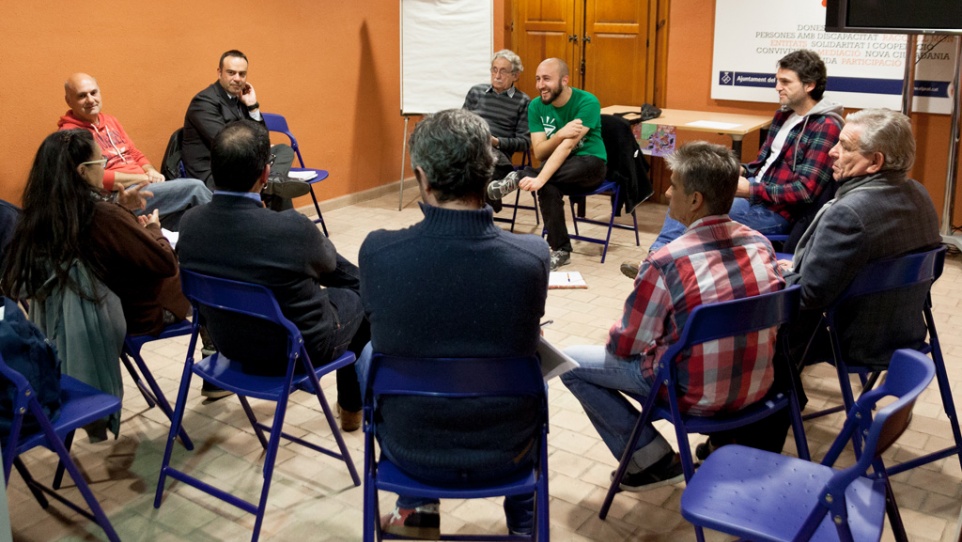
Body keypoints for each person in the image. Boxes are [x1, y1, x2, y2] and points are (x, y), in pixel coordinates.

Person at [356, 109, 550, 538]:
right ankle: (525, 523)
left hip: (409, 447)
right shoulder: (533, 257)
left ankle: (418, 512)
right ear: (488, 173)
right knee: (526, 363)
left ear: (422, 178)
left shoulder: (377, 252)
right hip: (512, 448)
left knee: (374, 352)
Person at [561, 141, 784, 490]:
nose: (666, 192)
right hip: (757, 388)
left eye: (673, 185)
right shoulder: (761, 244)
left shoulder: (666, 261)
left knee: (569, 362)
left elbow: (626, 345)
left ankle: (651, 459)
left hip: (693, 396)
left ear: (695, 200)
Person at [177, 120, 368, 430]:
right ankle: (351, 408)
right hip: (295, 352)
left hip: (230, 345)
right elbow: (332, 267)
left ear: (213, 169)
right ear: (265, 174)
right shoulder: (290, 228)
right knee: (359, 292)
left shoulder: (190, 222)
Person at [1, 129, 190, 440]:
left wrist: (121, 209)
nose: (106, 167)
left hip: (70, 321)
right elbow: (162, 263)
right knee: (199, 279)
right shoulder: (99, 214)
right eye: (101, 160)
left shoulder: (40, 216)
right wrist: (154, 229)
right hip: (133, 315)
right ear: (82, 171)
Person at [623, 49, 843, 278]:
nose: (778, 87)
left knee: (695, 205)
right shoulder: (784, 116)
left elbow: (805, 191)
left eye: (785, 82)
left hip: (776, 213)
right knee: (688, 194)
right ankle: (657, 263)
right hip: (753, 198)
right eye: (777, 80)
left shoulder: (825, 125)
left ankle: (655, 265)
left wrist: (750, 190)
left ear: (809, 86)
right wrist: (737, 170)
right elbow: (762, 166)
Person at [781, 108, 942, 370]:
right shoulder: (919, 193)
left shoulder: (849, 213)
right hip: (907, 330)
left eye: (844, 146)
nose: (832, 151)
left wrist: (779, 276)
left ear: (875, 162)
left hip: (855, 341)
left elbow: (809, 296)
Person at [486, 58, 606, 270]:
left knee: (546, 178)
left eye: (547, 79)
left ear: (565, 80)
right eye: (538, 79)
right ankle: (561, 249)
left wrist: (537, 176)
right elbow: (540, 151)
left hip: (590, 165)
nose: (541, 85)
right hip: (555, 166)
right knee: (547, 186)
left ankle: (522, 175)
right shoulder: (536, 106)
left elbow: (567, 148)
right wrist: (559, 133)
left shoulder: (587, 102)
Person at [59, 73, 212, 231]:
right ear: (69, 101)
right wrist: (143, 178)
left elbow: (134, 153)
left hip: (144, 185)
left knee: (186, 217)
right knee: (195, 188)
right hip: (119, 197)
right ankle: (232, 227)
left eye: (93, 93)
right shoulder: (71, 135)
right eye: (82, 96)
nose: (91, 100)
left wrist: (151, 171)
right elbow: (98, 177)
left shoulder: (110, 120)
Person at [181, 50, 309, 211]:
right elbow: (227, 144)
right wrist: (259, 150)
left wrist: (253, 106)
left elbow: (263, 138)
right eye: (231, 73)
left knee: (283, 150)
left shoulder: (240, 99)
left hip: (243, 164)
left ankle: (273, 180)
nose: (237, 79)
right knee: (275, 188)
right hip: (216, 173)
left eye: (242, 74)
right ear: (219, 72)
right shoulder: (204, 102)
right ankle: (272, 186)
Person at [462, 49, 531, 210]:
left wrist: (496, 141)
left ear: (515, 75)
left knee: (477, 172)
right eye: (494, 70)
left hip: (497, 155)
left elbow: (525, 142)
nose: (497, 75)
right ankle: (491, 200)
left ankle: (483, 213)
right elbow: (460, 124)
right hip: (470, 148)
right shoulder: (476, 92)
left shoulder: (523, 101)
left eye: (503, 71)